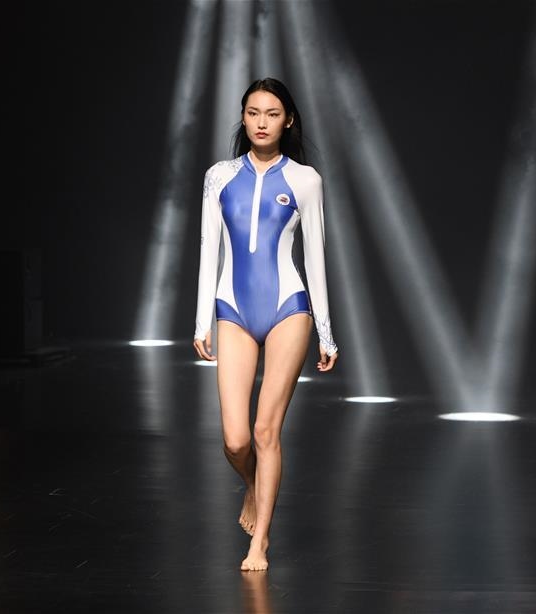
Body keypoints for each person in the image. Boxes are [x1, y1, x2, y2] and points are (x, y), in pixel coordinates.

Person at [192, 77, 339, 570]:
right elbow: (209, 249)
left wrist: (325, 331)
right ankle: (253, 486)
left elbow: (315, 258)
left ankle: (260, 542)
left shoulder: (305, 180)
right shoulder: (218, 176)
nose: (261, 122)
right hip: (232, 309)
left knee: (264, 430)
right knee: (235, 440)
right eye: (253, 112)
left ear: (288, 120)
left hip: (287, 309)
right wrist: (202, 321)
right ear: (243, 117)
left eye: (272, 114)